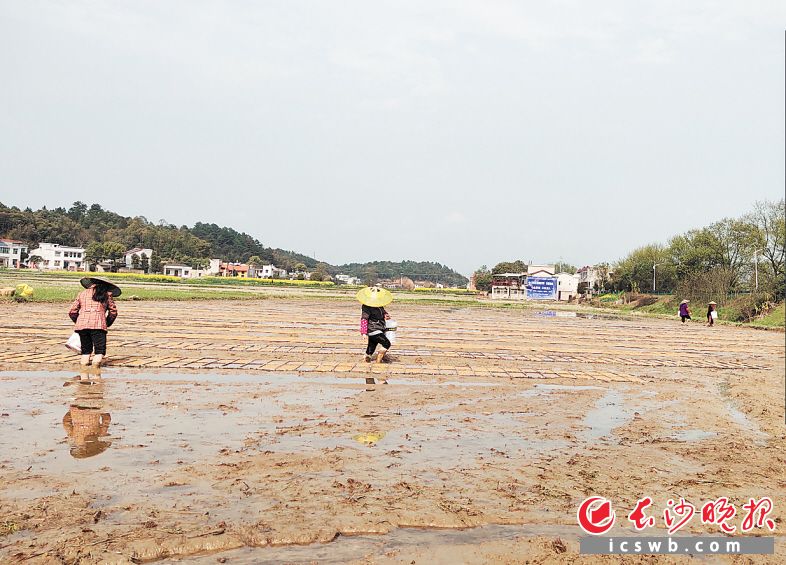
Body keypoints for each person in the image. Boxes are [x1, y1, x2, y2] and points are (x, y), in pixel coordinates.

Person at [69, 277, 120, 367]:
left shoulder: (82, 294)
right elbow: (113, 312)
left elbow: (72, 311)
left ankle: (84, 376)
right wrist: (107, 323)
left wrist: (79, 321)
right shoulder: (107, 294)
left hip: (82, 326)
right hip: (99, 326)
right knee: (99, 351)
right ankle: (96, 375)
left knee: (86, 351)